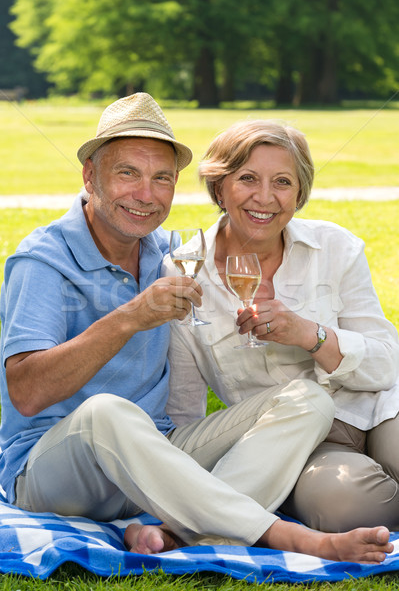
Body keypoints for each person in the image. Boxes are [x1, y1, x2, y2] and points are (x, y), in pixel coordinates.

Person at [0, 95, 393, 564]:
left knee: (309, 399)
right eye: (128, 173)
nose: (145, 194)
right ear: (90, 174)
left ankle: (178, 533)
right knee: (108, 412)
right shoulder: (43, 261)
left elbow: (183, 406)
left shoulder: (168, 255)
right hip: (58, 469)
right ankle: (289, 538)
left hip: (157, 459)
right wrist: (130, 316)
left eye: (161, 178)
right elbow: (25, 392)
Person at [163, 118, 399, 535]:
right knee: (347, 510)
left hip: (379, 408)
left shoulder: (335, 247)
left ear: (300, 193)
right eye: (247, 179)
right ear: (220, 188)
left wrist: (310, 334)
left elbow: (387, 365)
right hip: (300, 443)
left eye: (283, 182)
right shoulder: (185, 269)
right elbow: (185, 412)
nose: (265, 198)